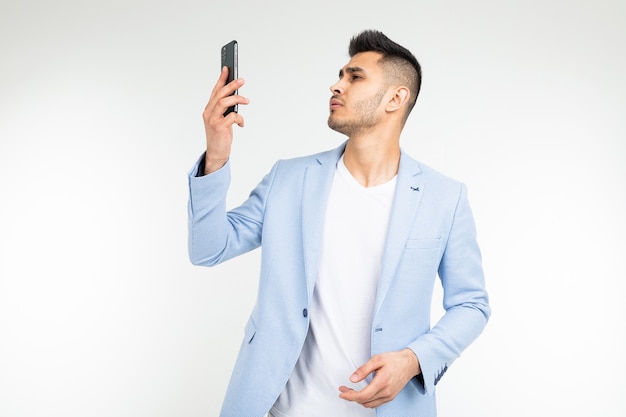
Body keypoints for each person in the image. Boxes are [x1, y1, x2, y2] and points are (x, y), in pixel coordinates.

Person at [187, 29, 490, 417]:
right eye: (341, 75)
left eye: (355, 76)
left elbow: (471, 304)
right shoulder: (289, 180)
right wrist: (216, 153)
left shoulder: (444, 198)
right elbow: (208, 248)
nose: (337, 84)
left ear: (396, 98)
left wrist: (413, 360)